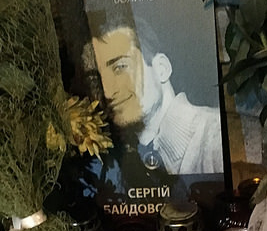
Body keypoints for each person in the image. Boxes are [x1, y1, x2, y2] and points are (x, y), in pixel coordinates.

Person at [89, 16, 223, 176]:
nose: (108, 93)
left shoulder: (216, 135)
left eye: (120, 67)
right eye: (99, 79)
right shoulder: (115, 160)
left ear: (161, 68)